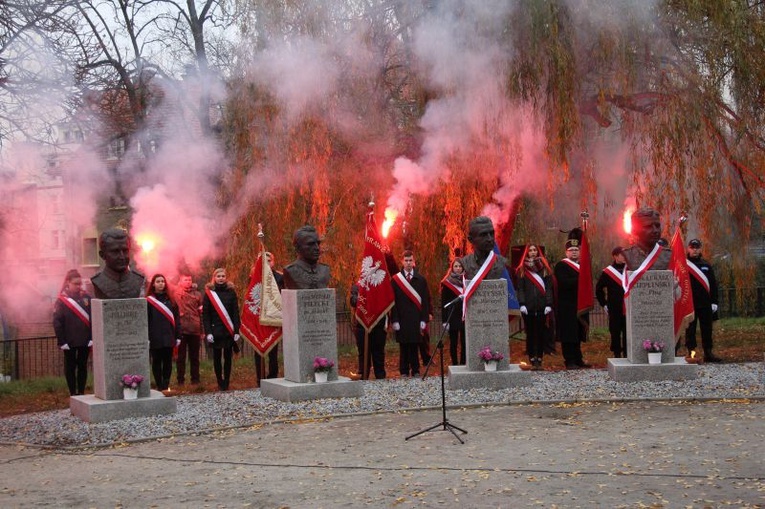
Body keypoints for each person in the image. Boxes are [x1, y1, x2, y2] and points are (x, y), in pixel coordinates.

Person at [391, 250, 431, 377]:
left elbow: (425, 300)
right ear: (402, 262)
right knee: (403, 346)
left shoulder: (421, 280)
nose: (408, 263)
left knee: (414, 344)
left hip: (416, 318)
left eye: (410, 260)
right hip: (402, 318)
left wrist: (424, 319)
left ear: (414, 262)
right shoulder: (396, 280)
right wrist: (395, 320)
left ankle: (415, 369)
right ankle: (403, 370)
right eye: (406, 260)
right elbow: (394, 302)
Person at [554, 230, 591, 369]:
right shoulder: (561, 266)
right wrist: (581, 279)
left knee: (577, 333)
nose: (574, 252)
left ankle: (578, 358)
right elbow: (564, 283)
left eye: (576, 249)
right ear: (566, 252)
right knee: (568, 335)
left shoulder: (583, 266)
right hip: (567, 305)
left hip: (579, 304)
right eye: (571, 250)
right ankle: (569, 360)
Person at [53, 269, 92, 396]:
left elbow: (93, 318)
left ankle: (81, 392)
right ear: (68, 283)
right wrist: (62, 341)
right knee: (70, 368)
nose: (78, 286)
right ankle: (73, 393)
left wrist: (92, 337)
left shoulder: (86, 297)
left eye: (80, 283)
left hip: (85, 339)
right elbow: (57, 322)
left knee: (82, 366)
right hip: (69, 341)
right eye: (76, 284)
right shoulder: (61, 301)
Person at [516, 244, 553, 370]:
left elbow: (548, 288)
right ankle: (532, 358)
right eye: (530, 250)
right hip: (528, 307)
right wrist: (522, 304)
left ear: (538, 252)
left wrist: (549, 303)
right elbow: (520, 289)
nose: (532, 252)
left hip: (542, 306)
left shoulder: (545, 268)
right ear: (526, 253)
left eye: (534, 250)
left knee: (541, 333)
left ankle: (540, 358)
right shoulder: (521, 269)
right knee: (531, 334)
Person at [202, 268, 241, 390]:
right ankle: (220, 381)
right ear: (214, 278)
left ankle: (227, 382)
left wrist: (236, 331)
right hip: (215, 331)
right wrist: (208, 332)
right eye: (218, 276)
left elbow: (235, 313)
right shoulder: (209, 293)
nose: (221, 278)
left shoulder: (231, 292)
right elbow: (206, 314)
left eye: (223, 276)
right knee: (217, 358)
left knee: (228, 357)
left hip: (228, 330)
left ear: (226, 277)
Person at [684, 239, 722, 362]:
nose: (695, 249)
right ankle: (692, 353)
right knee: (690, 331)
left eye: (697, 247)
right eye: (692, 247)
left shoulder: (706, 265)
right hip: (690, 304)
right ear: (688, 249)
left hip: (705, 304)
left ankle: (708, 353)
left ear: (700, 249)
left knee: (707, 329)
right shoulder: (684, 265)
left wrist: (714, 302)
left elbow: (713, 285)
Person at [146, 274, 180, 391]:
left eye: (162, 281)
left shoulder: (171, 300)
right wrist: (147, 338)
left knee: (167, 362)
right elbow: (146, 320)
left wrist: (178, 336)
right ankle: (159, 385)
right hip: (155, 336)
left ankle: (166, 384)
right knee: (156, 361)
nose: (161, 283)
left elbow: (177, 319)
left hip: (168, 336)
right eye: (158, 281)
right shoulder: (149, 301)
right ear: (153, 284)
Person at [90, 228, 145, 299]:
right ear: (102, 255)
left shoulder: (138, 279)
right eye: (115, 252)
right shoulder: (97, 281)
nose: (122, 257)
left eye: (125, 251)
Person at [255, 252, 283, 381]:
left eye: (269, 260)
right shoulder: (254, 277)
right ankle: (260, 378)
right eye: (263, 260)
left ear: (273, 262)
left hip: (274, 318)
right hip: (259, 319)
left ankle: (273, 377)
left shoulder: (280, 278)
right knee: (258, 350)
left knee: (273, 351)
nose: (266, 263)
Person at [350, 283, 387, 379]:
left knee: (378, 351)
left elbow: (386, 302)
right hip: (362, 325)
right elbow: (353, 302)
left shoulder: (380, 286)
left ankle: (380, 375)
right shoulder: (357, 286)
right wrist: (363, 298)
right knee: (363, 351)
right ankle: (363, 374)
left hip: (378, 324)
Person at [596, 247, 627, 358]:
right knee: (615, 331)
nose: (624, 256)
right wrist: (604, 304)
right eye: (621, 254)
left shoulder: (630, 270)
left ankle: (628, 354)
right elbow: (598, 289)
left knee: (628, 331)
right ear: (615, 256)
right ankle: (617, 353)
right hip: (615, 307)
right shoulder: (608, 272)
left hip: (629, 306)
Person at [174, 272, 203, 385]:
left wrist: (202, 330)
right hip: (181, 329)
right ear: (180, 281)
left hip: (195, 328)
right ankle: (180, 380)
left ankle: (195, 380)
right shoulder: (175, 293)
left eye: (190, 280)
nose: (188, 282)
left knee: (194, 357)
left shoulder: (198, 294)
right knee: (181, 357)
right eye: (185, 280)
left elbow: (201, 313)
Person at [441, 259, 466, 365]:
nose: (458, 268)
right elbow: (443, 303)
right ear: (452, 268)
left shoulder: (467, 281)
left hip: (465, 315)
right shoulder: (447, 283)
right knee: (454, 342)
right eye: (456, 266)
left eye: (460, 266)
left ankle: (464, 362)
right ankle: (455, 364)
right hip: (452, 316)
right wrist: (444, 320)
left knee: (465, 342)